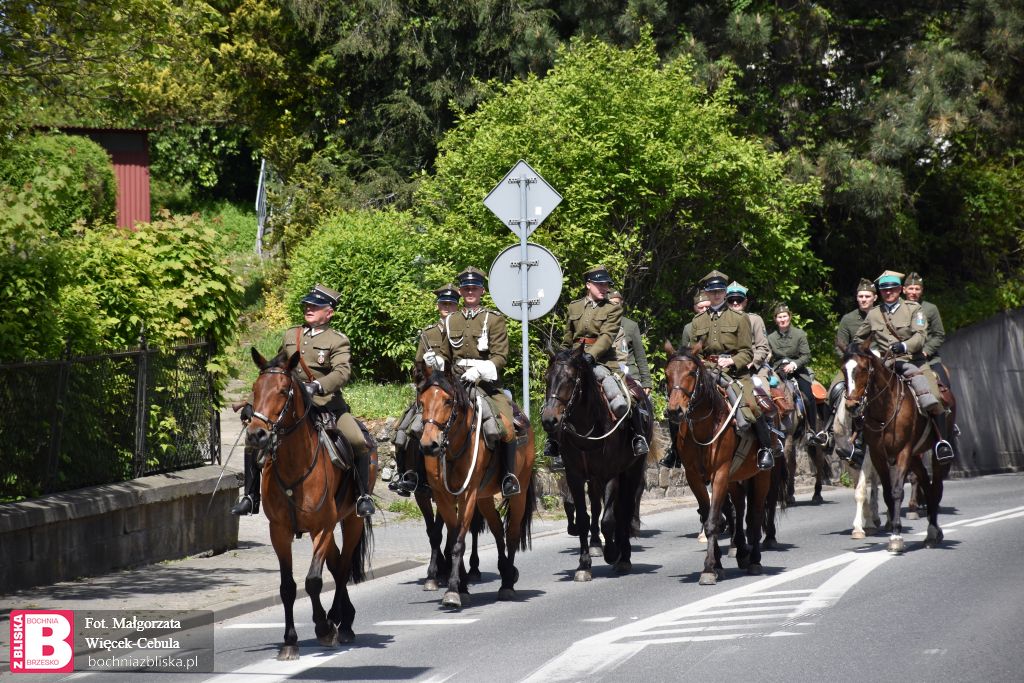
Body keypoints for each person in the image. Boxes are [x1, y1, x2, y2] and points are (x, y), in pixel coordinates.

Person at [233, 283, 376, 518]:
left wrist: (317, 385)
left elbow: (342, 372)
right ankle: (250, 497)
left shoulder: (337, 340)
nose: (309, 309)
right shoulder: (292, 335)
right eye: (307, 305)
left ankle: (362, 497)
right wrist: (253, 403)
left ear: (328, 312)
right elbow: (273, 373)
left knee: (358, 440)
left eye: (315, 306)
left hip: (326, 406)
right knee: (254, 440)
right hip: (292, 407)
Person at [547, 265, 648, 470]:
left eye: (606, 284)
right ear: (588, 285)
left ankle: (637, 437)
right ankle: (555, 442)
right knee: (555, 391)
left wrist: (590, 357)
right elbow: (568, 339)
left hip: (603, 362)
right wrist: (561, 360)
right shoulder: (574, 308)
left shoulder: (612, 308)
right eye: (599, 284)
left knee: (626, 396)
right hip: (574, 360)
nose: (603, 288)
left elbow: (606, 337)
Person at [852, 270, 954, 461]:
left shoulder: (914, 309)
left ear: (899, 290)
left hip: (913, 360)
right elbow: (859, 338)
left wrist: (904, 345)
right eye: (884, 290)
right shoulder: (874, 314)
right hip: (886, 365)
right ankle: (859, 445)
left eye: (891, 289)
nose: (888, 293)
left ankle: (942, 442)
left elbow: (920, 336)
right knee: (861, 398)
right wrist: (869, 352)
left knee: (935, 396)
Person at [438, 266, 521, 498]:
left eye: (474, 288)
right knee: (422, 420)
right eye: (466, 288)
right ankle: (420, 477)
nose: (470, 292)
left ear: (482, 291)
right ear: (461, 292)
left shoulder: (493, 319)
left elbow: (500, 356)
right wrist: (435, 362)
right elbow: (446, 355)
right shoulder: (451, 319)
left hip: (483, 385)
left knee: (505, 426)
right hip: (454, 383)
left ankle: (508, 476)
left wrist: (479, 371)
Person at [689, 270, 779, 470]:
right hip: (706, 372)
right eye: (712, 292)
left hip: (735, 373)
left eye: (720, 291)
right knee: (683, 403)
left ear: (725, 292)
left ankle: (765, 449)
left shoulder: (740, 319)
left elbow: (747, 353)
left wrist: (730, 362)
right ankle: (678, 452)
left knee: (753, 407)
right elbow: (694, 352)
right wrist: (702, 363)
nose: (716, 295)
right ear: (707, 293)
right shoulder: (698, 322)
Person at [389, 284, 460, 496]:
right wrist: (425, 373)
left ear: (457, 306)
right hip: (432, 394)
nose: (446, 307)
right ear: (438, 306)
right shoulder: (428, 334)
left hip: (457, 392)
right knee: (407, 429)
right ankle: (408, 475)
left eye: (451, 303)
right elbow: (416, 369)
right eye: (443, 303)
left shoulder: (462, 331)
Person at [813, 278, 877, 454]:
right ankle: (828, 433)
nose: (863, 299)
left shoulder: (881, 316)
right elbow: (839, 344)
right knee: (833, 390)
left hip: (877, 366)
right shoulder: (848, 319)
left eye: (867, 296)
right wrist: (850, 359)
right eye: (860, 296)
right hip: (853, 367)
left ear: (875, 298)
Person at [661, 289, 712, 469]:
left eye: (707, 306)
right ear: (694, 309)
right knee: (675, 401)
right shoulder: (689, 328)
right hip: (696, 370)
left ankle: (764, 445)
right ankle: (675, 449)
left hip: (720, 367)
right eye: (700, 307)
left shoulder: (721, 321)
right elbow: (684, 354)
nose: (704, 310)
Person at [767, 303, 817, 436]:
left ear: (789, 317)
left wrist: (794, 364)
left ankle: (813, 430)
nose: (782, 319)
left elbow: (806, 355)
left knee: (808, 397)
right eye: (779, 317)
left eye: (785, 316)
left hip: (798, 370)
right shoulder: (770, 337)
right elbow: (768, 355)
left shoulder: (799, 334)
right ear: (775, 319)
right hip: (778, 371)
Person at [902, 272, 951, 390]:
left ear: (922, 290)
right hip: (904, 359)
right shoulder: (897, 309)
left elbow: (939, 335)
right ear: (904, 290)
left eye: (917, 289)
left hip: (929, 360)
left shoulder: (930, 308)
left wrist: (926, 350)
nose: (913, 292)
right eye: (911, 288)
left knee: (944, 390)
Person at [607, 290, 652, 394]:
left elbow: (640, 356)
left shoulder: (631, 326)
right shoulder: (599, 324)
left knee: (642, 400)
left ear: (621, 304)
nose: (614, 306)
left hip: (629, 373)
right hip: (606, 370)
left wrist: (646, 382)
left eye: (617, 303)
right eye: (611, 303)